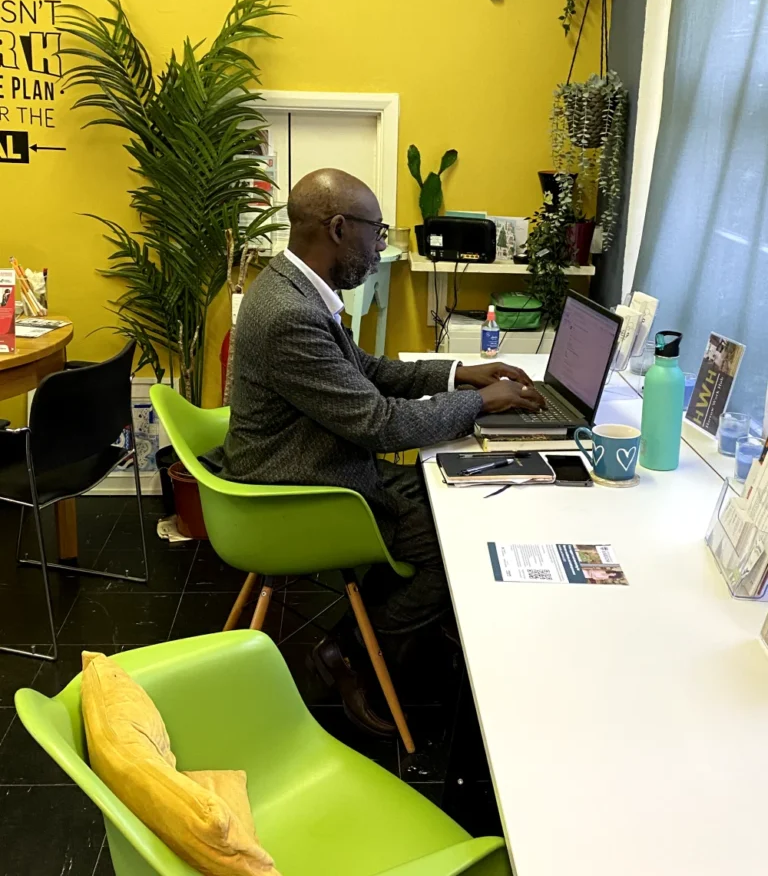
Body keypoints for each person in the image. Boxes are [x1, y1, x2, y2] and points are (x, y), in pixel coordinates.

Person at [210, 168, 544, 734]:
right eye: (377, 233)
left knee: (446, 503)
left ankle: (376, 633)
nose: (380, 246)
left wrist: (461, 372)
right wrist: (483, 403)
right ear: (339, 228)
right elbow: (377, 423)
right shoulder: (292, 313)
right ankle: (351, 654)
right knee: (455, 547)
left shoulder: (293, 286)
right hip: (296, 488)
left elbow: (367, 371)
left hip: (307, 460)